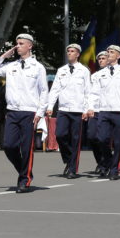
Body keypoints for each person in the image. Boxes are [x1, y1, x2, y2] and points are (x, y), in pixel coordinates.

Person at [0, 33, 48, 193]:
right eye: (17, 43)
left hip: (29, 111)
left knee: (26, 148)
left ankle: (24, 180)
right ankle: (24, 170)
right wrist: (4, 56)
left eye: (21, 43)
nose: (17, 46)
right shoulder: (11, 66)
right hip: (13, 111)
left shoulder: (38, 67)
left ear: (30, 46)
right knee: (8, 145)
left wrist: (40, 112)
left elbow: (43, 91)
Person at [85, 45, 120, 180]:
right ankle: (108, 161)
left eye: (111, 52)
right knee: (101, 139)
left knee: (118, 143)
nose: (108, 54)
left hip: (119, 111)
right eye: (107, 52)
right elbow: (94, 93)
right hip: (104, 111)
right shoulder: (100, 74)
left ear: (118, 56)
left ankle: (114, 169)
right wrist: (90, 107)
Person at [45, 43, 90, 178]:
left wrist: (87, 109)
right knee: (60, 135)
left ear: (78, 54)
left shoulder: (84, 71)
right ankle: (69, 159)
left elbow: (88, 91)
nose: (69, 53)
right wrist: (49, 106)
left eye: (72, 51)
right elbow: (55, 90)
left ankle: (72, 169)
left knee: (75, 139)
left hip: (78, 109)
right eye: (68, 51)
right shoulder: (61, 70)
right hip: (63, 108)